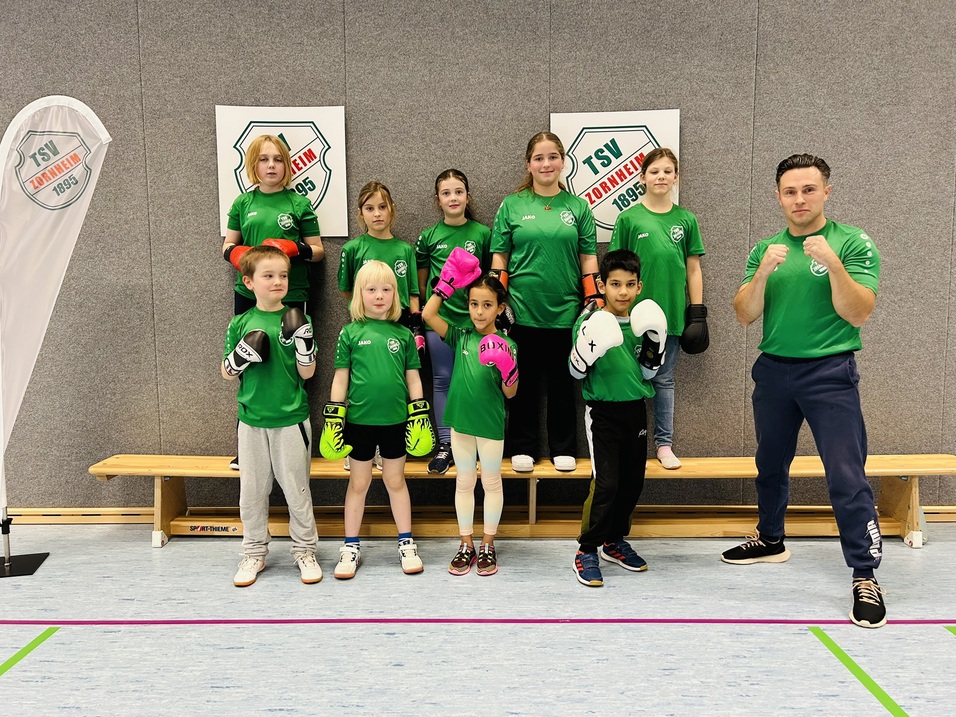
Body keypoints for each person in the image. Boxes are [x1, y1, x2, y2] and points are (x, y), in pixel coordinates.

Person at [721, 154, 885, 629]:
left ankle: (865, 573)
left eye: (808, 190)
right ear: (778, 196)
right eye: (790, 191)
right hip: (773, 371)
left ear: (826, 191)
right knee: (770, 464)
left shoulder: (851, 242)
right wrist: (761, 274)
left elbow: (858, 313)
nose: (799, 199)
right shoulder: (766, 249)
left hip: (829, 373)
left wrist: (833, 264)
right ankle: (770, 538)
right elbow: (744, 314)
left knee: (845, 474)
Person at [490, 131, 598, 473]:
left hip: (566, 311)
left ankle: (562, 447)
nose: (546, 163)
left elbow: (588, 259)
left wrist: (593, 301)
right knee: (521, 383)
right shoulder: (512, 205)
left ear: (562, 162)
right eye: (539, 158)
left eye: (552, 157)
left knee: (563, 384)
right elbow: (499, 260)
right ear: (528, 164)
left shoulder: (578, 207)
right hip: (520, 310)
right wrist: (498, 303)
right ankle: (523, 446)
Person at [320, 260, 435, 579]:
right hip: (359, 423)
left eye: (386, 289)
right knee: (358, 483)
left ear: (395, 294)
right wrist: (334, 416)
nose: (380, 295)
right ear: (360, 294)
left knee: (395, 481)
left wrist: (419, 414)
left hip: (397, 422)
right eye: (371, 289)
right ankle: (350, 546)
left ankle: (406, 542)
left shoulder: (403, 334)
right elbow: (341, 378)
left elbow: (414, 379)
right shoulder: (350, 333)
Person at [221, 134, 325, 471]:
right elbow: (226, 247)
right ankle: (247, 442)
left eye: (278, 159)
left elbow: (319, 249)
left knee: (297, 361)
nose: (271, 166)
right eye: (264, 159)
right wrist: (243, 255)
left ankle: (295, 440)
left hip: (292, 292)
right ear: (254, 164)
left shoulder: (299, 204)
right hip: (248, 292)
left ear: (287, 165)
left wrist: (295, 248)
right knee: (247, 359)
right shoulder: (242, 204)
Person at [221, 245, 321, 587]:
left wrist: (304, 346)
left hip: (291, 418)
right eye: (268, 276)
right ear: (249, 282)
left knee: (297, 489)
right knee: (251, 492)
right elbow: (226, 373)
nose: (277, 281)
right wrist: (239, 358)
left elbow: (308, 374)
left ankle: (305, 551)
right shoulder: (240, 322)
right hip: (251, 420)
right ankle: (253, 553)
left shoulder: (298, 318)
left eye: (282, 275)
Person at [568, 249, 666, 587]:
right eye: (614, 284)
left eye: (629, 284)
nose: (622, 292)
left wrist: (655, 343)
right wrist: (588, 347)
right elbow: (575, 370)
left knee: (632, 483)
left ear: (639, 286)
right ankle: (587, 549)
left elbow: (647, 372)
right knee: (606, 483)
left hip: (635, 409)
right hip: (603, 413)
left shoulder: (644, 322)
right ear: (601, 284)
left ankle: (614, 541)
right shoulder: (588, 322)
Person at [609, 148, 707, 469]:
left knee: (664, 380)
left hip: (672, 316)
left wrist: (697, 311)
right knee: (631, 378)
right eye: (654, 171)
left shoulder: (686, 219)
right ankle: (627, 441)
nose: (661, 177)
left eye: (667, 171)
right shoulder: (628, 219)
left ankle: (664, 444)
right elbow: (615, 269)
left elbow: (693, 268)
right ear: (642, 178)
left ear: (676, 177)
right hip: (632, 318)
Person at [423, 253, 518, 576]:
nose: (479, 311)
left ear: (500, 308)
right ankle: (466, 543)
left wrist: (509, 370)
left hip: (490, 424)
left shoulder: (507, 344)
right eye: (474, 304)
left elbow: (511, 393)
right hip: (460, 422)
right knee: (464, 482)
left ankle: (488, 544)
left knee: (491, 482)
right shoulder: (460, 335)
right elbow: (427, 314)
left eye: (487, 305)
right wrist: (445, 285)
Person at [338, 181, 420, 470]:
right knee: (360, 382)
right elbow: (348, 290)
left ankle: (387, 447)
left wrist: (416, 330)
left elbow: (411, 293)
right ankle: (360, 447)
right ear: (360, 213)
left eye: (382, 207)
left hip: (397, 330)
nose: (377, 214)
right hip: (363, 329)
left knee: (391, 384)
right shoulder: (353, 248)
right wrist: (364, 313)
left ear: (392, 210)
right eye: (369, 208)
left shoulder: (403, 249)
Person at [416, 169, 492, 475]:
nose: (453, 198)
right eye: (446, 193)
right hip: (441, 321)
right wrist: (420, 322)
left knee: (477, 381)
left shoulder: (483, 234)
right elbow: (422, 285)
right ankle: (446, 445)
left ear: (468, 196)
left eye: (458, 191)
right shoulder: (428, 237)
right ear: (438, 200)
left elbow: (491, 278)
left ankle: (475, 442)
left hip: (476, 322)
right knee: (442, 380)